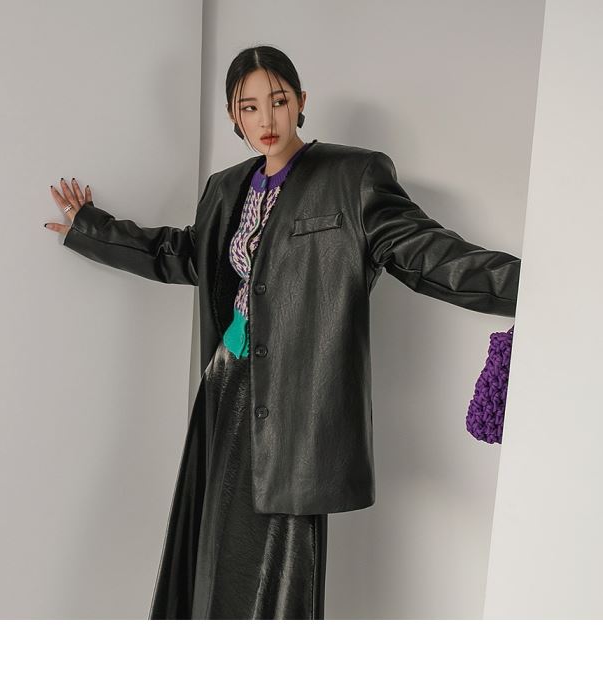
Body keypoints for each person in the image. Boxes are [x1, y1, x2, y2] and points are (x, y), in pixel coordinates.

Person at [44, 45, 520, 620]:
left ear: (300, 101)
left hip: (295, 403)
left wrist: (535, 286)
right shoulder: (226, 188)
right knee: (214, 550)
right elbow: (183, 254)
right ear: (233, 115)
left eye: (278, 100)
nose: (266, 119)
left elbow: (426, 254)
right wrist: (91, 229)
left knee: (277, 564)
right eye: (249, 107)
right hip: (225, 388)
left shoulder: (351, 176)